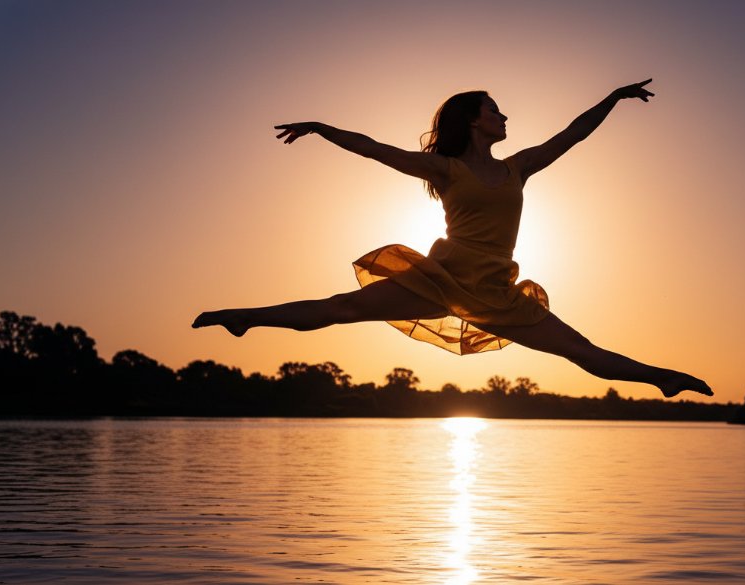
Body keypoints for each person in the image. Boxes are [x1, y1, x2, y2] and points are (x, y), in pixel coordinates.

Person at [193, 79, 712, 398]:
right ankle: (244, 318)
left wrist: (615, 98)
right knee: (341, 308)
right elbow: (373, 148)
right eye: (494, 108)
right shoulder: (444, 169)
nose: (504, 115)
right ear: (472, 118)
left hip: (496, 292)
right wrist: (321, 127)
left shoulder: (519, 168)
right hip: (440, 279)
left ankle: (661, 378)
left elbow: (573, 133)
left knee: (582, 351)